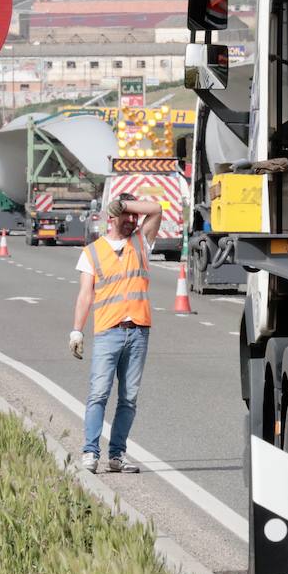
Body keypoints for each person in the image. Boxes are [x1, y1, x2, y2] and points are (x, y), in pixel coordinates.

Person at [69, 192, 162, 474]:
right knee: (98, 394)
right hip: (108, 332)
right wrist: (76, 331)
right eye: (125, 215)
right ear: (111, 219)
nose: (132, 220)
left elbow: (156, 209)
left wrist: (125, 204)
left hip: (138, 332)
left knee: (129, 398)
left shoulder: (141, 242)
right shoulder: (92, 252)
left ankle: (117, 455)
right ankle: (90, 452)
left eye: (134, 215)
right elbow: (85, 295)